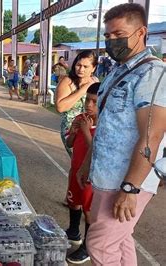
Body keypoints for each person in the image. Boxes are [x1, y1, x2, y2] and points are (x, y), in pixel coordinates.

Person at [75, 4, 166, 265]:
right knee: (120, 239)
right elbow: (106, 126)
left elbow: (152, 136)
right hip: (107, 175)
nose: (112, 41)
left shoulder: (152, 74)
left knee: (100, 244)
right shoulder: (119, 70)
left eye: (119, 34)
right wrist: (87, 163)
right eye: (108, 36)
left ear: (142, 32)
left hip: (128, 179)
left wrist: (130, 188)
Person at [64, 83, 99, 264]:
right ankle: (73, 231)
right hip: (76, 172)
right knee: (73, 203)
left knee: (89, 212)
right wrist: (75, 131)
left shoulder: (103, 126)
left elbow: (97, 150)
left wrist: (85, 131)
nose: (89, 105)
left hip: (90, 177)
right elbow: (70, 143)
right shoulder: (80, 118)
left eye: (94, 101)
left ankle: (88, 246)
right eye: (87, 100)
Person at [55, 50, 99, 157]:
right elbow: (60, 107)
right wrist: (83, 90)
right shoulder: (68, 81)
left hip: (91, 127)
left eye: (85, 66)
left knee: (92, 159)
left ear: (93, 68)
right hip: (72, 128)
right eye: (78, 65)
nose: (81, 69)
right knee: (80, 159)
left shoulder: (95, 80)